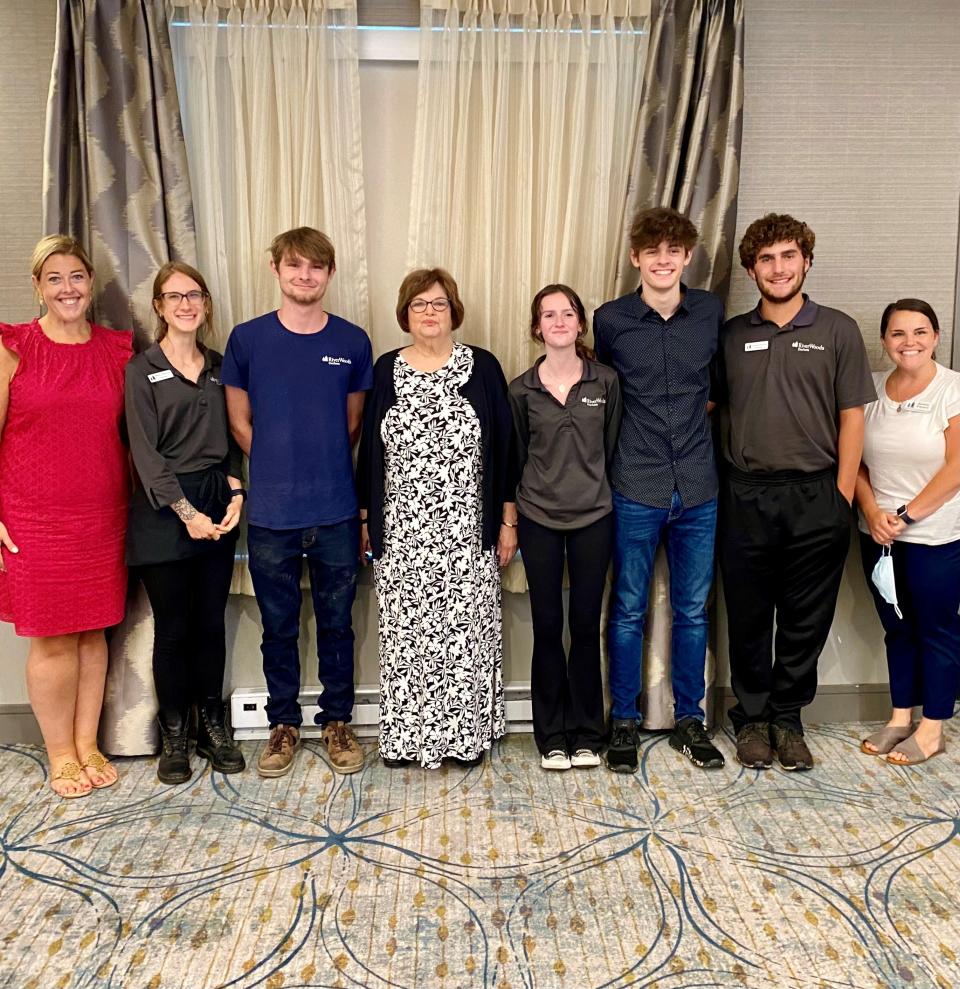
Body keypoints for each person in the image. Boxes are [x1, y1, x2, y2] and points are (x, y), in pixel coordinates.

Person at [714, 213, 875, 771]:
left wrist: (842, 496)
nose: (778, 268)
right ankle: (752, 717)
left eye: (787, 257)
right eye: (766, 259)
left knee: (807, 617)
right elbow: (706, 407)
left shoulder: (837, 330)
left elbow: (852, 416)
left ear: (805, 261)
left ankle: (788, 719)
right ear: (751, 269)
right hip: (745, 495)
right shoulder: (731, 336)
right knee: (751, 614)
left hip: (817, 495)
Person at [222, 227, 373, 778]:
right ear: (276, 270)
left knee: (337, 624)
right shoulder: (247, 339)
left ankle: (337, 722)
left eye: (315, 267)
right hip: (270, 517)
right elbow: (239, 421)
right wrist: (279, 470)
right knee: (278, 627)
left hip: (334, 509)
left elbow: (353, 424)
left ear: (329, 274)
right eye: (294, 266)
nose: (304, 275)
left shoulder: (354, 342)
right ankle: (282, 724)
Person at [357, 267, 517, 769]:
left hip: (466, 531)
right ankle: (407, 740)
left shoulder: (483, 367)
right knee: (406, 640)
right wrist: (367, 521)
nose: (430, 311)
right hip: (402, 531)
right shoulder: (385, 370)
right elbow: (369, 456)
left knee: (465, 636)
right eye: (420, 303)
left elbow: (506, 450)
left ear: (454, 310)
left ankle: (463, 737)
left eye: (439, 303)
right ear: (405, 313)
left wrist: (507, 521)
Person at [594, 207, 726, 774]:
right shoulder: (609, 320)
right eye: (653, 251)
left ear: (687, 257)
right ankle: (623, 719)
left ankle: (690, 720)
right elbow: (599, 392)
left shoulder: (710, 313)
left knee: (693, 610)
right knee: (626, 609)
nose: (663, 259)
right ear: (636, 258)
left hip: (699, 485)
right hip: (636, 483)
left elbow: (715, 390)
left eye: (674, 250)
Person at [0, 235, 132, 798]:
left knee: (93, 632)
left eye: (76, 276)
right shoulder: (13, 348)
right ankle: (60, 754)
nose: (67, 288)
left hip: (103, 513)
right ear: (37, 287)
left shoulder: (118, 349)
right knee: (53, 638)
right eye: (54, 278)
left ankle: (88, 743)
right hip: (33, 516)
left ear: (90, 284)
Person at [125, 262, 246, 784]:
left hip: (218, 502)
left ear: (205, 303)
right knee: (172, 629)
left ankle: (211, 725)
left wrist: (238, 493)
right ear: (158, 306)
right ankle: (175, 731)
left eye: (194, 295)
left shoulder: (222, 367)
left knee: (210, 624)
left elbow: (239, 434)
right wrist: (187, 514)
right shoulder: (141, 368)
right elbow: (145, 454)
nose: (186, 304)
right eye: (174, 296)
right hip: (164, 510)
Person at [508, 285, 621, 770]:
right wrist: (510, 519)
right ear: (537, 327)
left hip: (595, 517)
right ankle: (551, 735)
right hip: (538, 520)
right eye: (548, 315)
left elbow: (613, 450)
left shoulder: (606, 383)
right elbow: (514, 458)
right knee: (549, 625)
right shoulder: (521, 390)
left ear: (580, 324)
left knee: (584, 623)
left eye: (567, 313)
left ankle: (586, 734)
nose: (558, 321)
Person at [856, 299, 960, 766]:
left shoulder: (953, 390)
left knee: (937, 631)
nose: (909, 342)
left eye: (920, 332)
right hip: (878, 535)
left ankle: (933, 728)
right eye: (898, 334)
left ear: (936, 337)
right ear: (884, 341)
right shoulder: (871, 389)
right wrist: (872, 511)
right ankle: (900, 717)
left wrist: (906, 515)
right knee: (896, 630)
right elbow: (854, 461)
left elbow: (957, 466)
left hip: (935, 536)